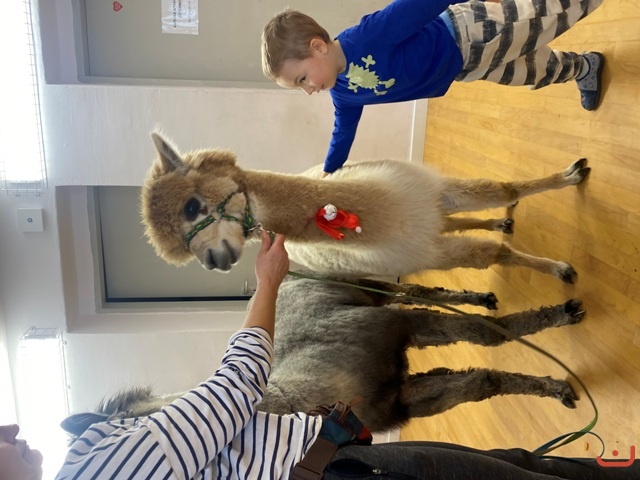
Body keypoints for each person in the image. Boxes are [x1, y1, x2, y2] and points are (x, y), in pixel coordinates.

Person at [50, 231, 639, 479]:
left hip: (335, 441)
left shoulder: (86, 450)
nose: (9, 428)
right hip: (336, 464)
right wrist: (268, 284)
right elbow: (229, 396)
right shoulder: (97, 467)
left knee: (511, 460)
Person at [261, 0, 606, 177]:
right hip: (465, 66)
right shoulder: (342, 92)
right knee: (530, 71)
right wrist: (330, 170)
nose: (308, 90)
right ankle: (585, 68)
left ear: (318, 46)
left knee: (552, 13)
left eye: (302, 79)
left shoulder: (367, 37)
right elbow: (343, 131)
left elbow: (421, 5)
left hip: (470, 34)